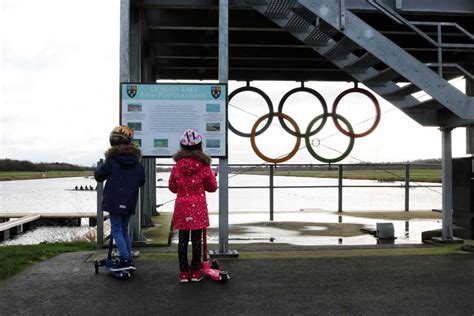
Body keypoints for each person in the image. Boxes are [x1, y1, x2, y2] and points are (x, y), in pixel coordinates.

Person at [168, 129, 217, 283]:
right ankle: (196, 272)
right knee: (196, 240)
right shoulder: (204, 166)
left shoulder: (177, 166)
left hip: (182, 206)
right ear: (200, 146)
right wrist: (212, 176)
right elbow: (212, 187)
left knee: (182, 240)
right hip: (198, 207)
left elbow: (172, 187)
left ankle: (183, 273)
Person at [95, 125, 145, 271]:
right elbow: (141, 181)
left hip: (114, 200)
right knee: (124, 229)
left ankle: (126, 260)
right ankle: (128, 257)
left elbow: (99, 175)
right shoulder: (137, 163)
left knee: (116, 229)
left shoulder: (111, 161)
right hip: (129, 200)